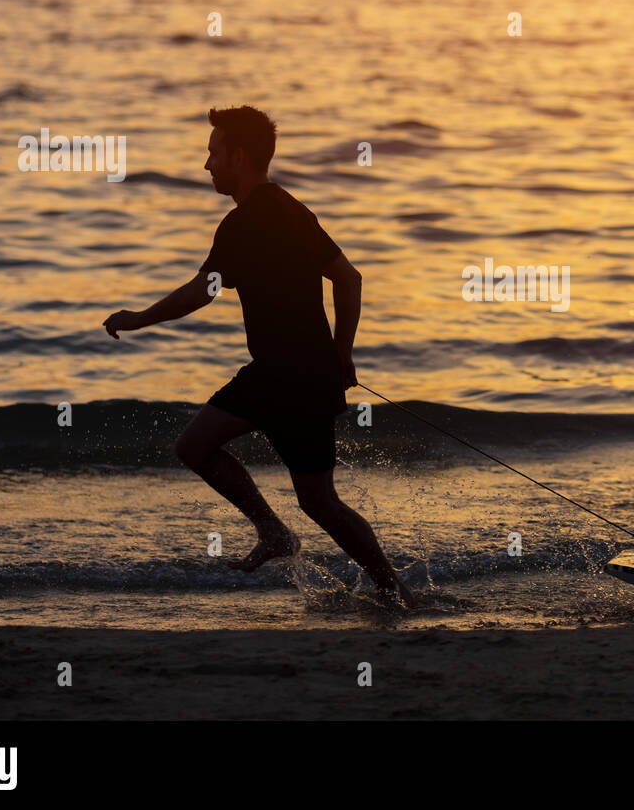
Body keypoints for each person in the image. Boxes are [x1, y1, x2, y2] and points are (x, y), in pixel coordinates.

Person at [103, 105, 413, 606]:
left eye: (213, 153)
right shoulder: (293, 209)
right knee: (320, 502)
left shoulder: (242, 224)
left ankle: (276, 534)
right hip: (308, 375)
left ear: (238, 157)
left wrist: (138, 317)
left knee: (193, 447)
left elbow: (201, 292)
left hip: (278, 376)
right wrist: (342, 354)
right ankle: (393, 589)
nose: (207, 165)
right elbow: (350, 279)